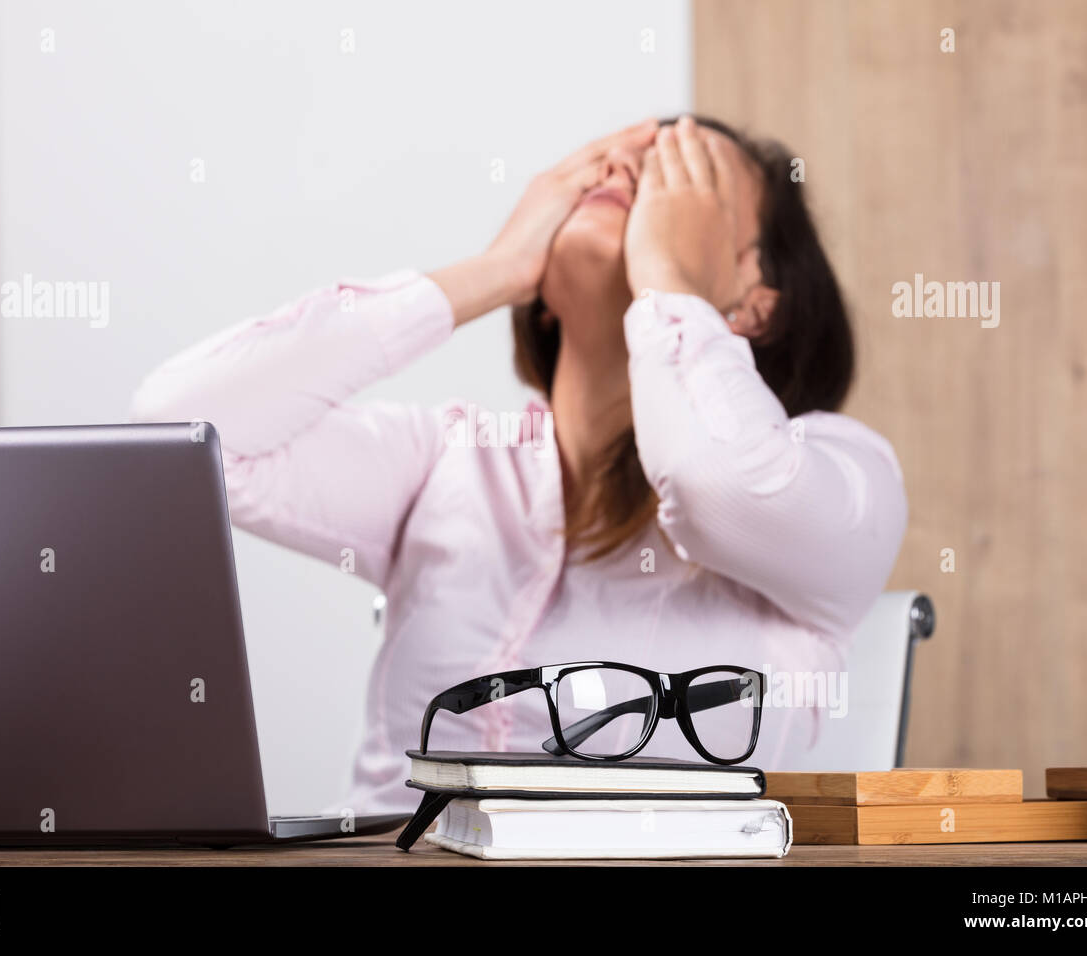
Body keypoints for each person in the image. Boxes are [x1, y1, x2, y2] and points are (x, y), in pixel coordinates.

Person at [130, 115, 908, 813]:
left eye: (681, 178)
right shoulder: (448, 463)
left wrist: (671, 286)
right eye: (608, 161)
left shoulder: (837, 471)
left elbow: (717, 486)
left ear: (753, 303)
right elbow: (178, 432)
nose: (622, 172)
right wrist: (494, 269)